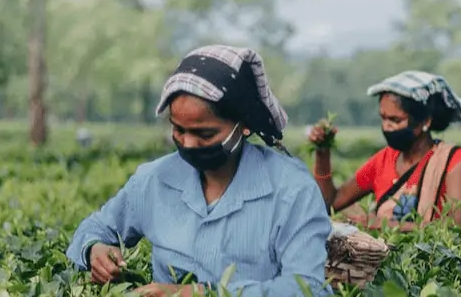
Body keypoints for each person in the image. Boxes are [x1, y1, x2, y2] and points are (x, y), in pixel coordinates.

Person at [66, 45, 331, 297]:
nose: (188, 143)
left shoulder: (292, 190)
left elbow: (308, 287)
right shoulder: (154, 180)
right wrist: (94, 250)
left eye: (205, 133)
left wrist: (202, 293)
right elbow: (96, 227)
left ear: (244, 125)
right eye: (178, 129)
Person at [308, 71, 461, 231]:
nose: (386, 126)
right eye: (383, 118)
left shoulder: (454, 163)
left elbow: (457, 230)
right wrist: (323, 152)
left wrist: (383, 224)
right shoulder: (384, 159)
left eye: (395, 120)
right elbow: (332, 201)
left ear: (424, 121)